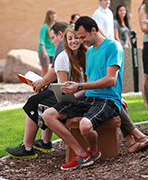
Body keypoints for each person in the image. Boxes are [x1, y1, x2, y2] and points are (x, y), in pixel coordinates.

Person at [43, 16, 124, 170]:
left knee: (85, 125)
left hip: (108, 99)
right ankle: (81, 154)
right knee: (48, 115)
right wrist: (72, 91)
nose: (81, 41)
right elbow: (88, 84)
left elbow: (111, 80)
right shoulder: (90, 52)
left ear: (93, 30)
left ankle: (93, 151)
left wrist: (79, 86)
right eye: (78, 37)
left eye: (83, 37)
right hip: (89, 98)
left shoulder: (113, 47)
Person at [5, 22, 69, 159]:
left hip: (67, 91)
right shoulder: (67, 46)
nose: (52, 42)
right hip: (64, 88)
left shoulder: (63, 45)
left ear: (60, 34)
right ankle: (45, 142)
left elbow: (54, 70)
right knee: (43, 99)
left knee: (33, 102)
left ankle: (27, 148)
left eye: (53, 38)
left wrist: (42, 82)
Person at [38, 9, 57, 77]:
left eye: (54, 14)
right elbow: (41, 41)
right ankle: (41, 86)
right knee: (45, 71)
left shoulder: (56, 27)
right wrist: (44, 52)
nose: (53, 16)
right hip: (45, 51)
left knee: (55, 70)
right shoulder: (44, 26)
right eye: (51, 14)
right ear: (48, 16)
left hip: (53, 52)